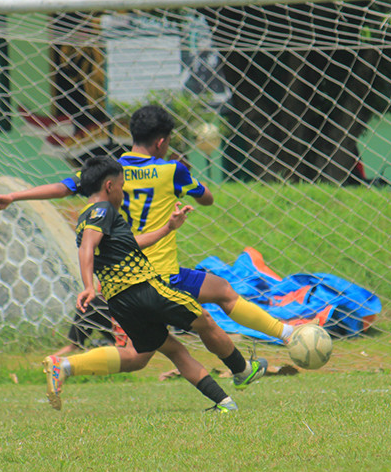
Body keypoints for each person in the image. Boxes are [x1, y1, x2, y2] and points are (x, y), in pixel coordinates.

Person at [55, 155, 240, 412]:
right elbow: (88, 246)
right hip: (144, 288)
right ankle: (243, 370)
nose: (122, 192)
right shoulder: (103, 210)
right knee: (205, 320)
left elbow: (129, 243)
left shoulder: (86, 217)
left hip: (120, 303)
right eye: (121, 186)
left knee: (174, 350)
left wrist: (168, 227)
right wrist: (87, 285)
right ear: (109, 186)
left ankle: (224, 403)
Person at [119, 105, 297, 368]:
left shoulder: (112, 170)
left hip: (125, 275)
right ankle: (285, 336)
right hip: (161, 274)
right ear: (161, 142)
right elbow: (207, 199)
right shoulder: (171, 170)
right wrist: (183, 179)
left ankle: (64, 365)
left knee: (138, 357)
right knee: (222, 293)